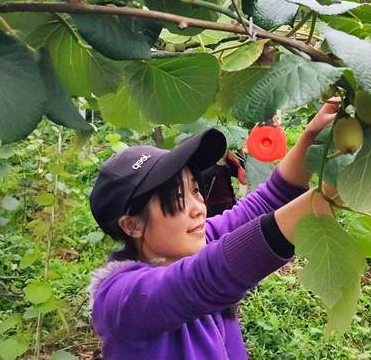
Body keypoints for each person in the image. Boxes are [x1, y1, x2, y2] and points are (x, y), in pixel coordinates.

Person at [87, 100, 340, 359]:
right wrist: (333, 190)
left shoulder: (190, 243)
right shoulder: (121, 300)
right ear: (133, 226)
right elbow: (211, 275)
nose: (198, 207)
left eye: (195, 190)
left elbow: (269, 199)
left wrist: (313, 139)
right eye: (177, 199)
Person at [200, 149, 247, 217]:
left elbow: (243, 177)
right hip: (212, 208)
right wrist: (217, 164)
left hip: (228, 204)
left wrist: (239, 151)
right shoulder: (204, 160)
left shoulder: (227, 160)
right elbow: (202, 179)